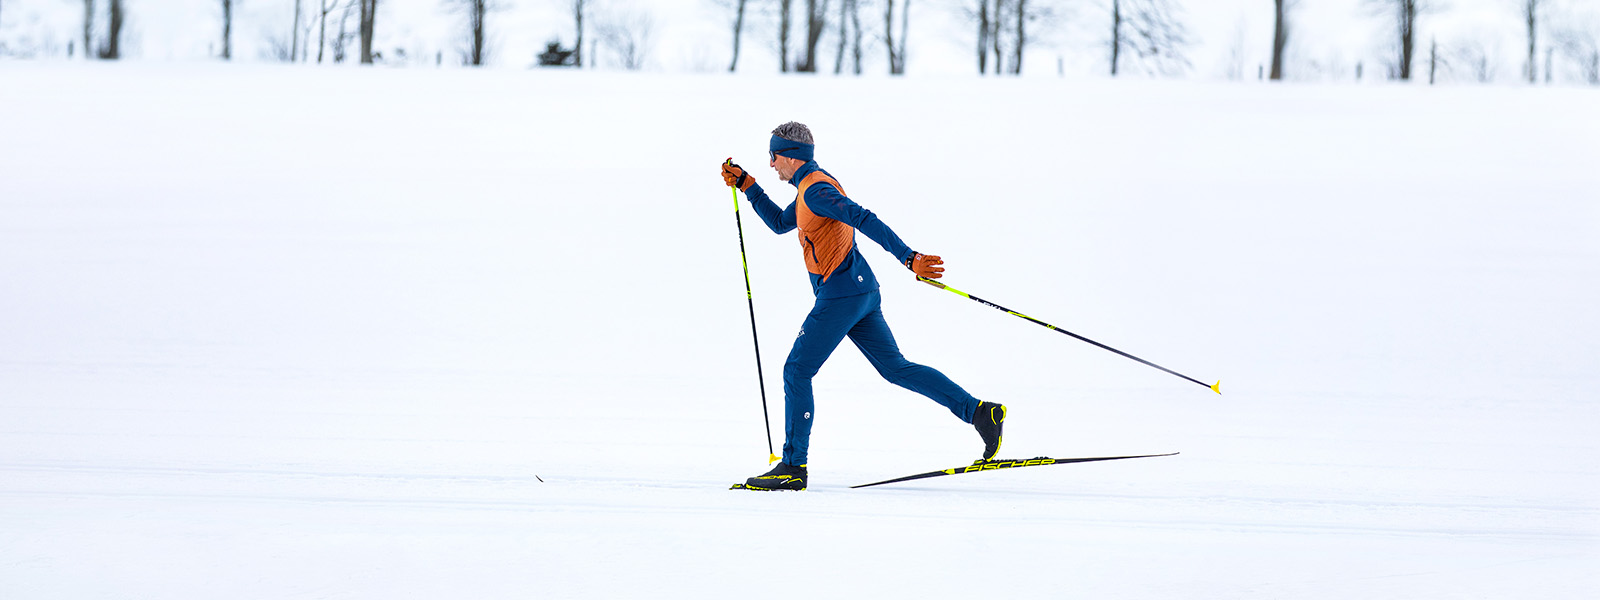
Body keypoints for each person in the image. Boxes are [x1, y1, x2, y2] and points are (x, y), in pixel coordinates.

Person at [720, 121, 1006, 491]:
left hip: (842, 294)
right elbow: (779, 223)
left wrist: (909, 258)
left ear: (789, 156)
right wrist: (748, 185)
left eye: (773, 156)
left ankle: (792, 466)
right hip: (860, 291)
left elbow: (862, 217)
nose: (771, 163)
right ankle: (981, 412)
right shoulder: (810, 186)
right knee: (896, 368)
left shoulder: (817, 191)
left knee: (796, 370)